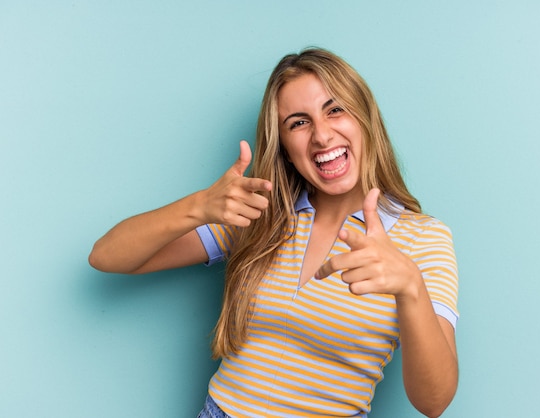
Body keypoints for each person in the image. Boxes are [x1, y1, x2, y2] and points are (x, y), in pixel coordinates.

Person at [89, 48, 459, 418]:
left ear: (365, 118)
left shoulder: (424, 239)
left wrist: (411, 286)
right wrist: (199, 206)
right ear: (284, 147)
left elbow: (434, 402)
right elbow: (106, 256)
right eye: (298, 122)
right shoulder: (261, 213)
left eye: (335, 109)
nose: (322, 136)